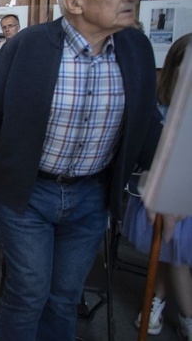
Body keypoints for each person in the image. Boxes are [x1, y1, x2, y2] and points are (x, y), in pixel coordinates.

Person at [0, 0, 163, 341]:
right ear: (74, 3)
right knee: (28, 293)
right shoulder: (28, 45)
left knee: (64, 297)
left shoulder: (135, 47)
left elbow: (146, 121)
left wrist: (163, 184)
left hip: (93, 194)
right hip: (29, 192)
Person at [123, 33, 192, 339]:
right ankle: (187, 316)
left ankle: (157, 302)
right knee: (170, 252)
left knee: (170, 255)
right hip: (162, 193)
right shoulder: (160, 107)